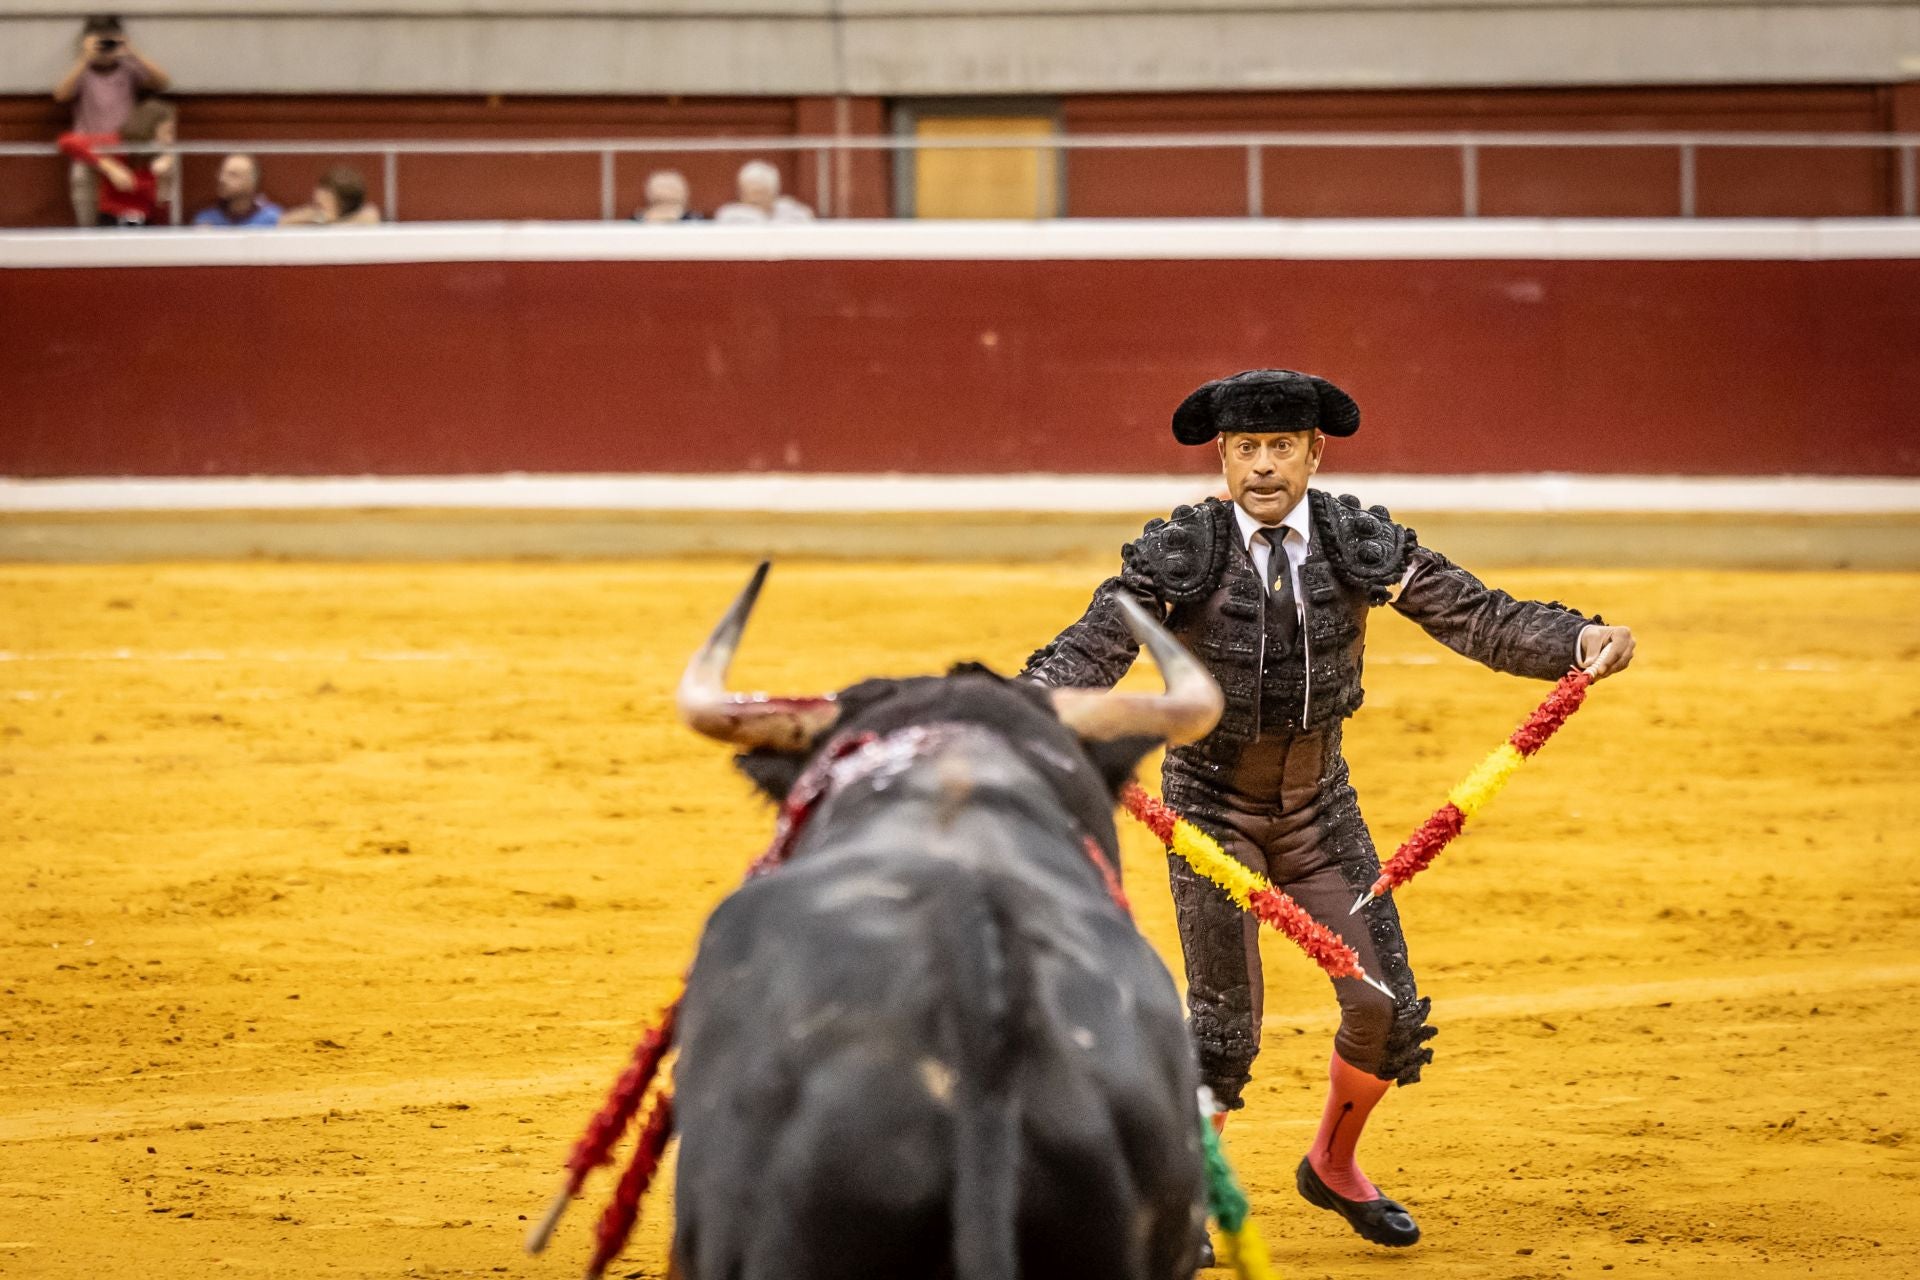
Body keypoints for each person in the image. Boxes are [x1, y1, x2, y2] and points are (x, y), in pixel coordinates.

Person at [1021, 369, 1635, 1249]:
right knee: (1224, 1027)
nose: (1262, 468)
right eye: (1245, 450)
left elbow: (1476, 616)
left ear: (1315, 452)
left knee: (1383, 1006)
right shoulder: (1181, 556)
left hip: (1319, 812)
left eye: (1280, 448)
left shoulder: (1356, 540)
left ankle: (1333, 1167)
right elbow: (1089, 650)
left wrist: (1577, 637)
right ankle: (1192, 1195)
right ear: (1222, 458)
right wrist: (1018, 704)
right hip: (1211, 814)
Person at [52, 14, 171, 227]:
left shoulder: (127, 68)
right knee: (84, 188)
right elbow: (61, 94)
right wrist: (84, 58)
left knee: (127, 203)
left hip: (124, 147)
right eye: (101, 42)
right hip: (88, 148)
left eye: (109, 42)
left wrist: (132, 52)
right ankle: (86, 235)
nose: (105, 49)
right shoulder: (84, 71)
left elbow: (162, 82)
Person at [57, 96, 175, 228]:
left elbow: (152, 197)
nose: (170, 140)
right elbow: (67, 141)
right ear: (150, 127)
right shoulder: (118, 143)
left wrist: (161, 178)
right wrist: (109, 167)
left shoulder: (162, 155)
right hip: (112, 220)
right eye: (167, 132)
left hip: (145, 221)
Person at [192, 154, 280, 227]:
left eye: (233, 175)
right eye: (221, 173)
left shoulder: (272, 219)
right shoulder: (207, 220)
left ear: (252, 182)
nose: (222, 179)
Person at [714, 159, 814, 223]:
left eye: (763, 193)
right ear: (741, 193)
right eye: (753, 194)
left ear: (774, 193)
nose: (758, 199)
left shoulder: (793, 212)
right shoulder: (730, 215)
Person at [280, 166, 383, 226]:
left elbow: (370, 218)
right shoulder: (312, 214)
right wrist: (319, 218)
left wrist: (329, 221)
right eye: (321, 190)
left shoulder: (366, 214)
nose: (318, 196)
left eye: (328, 195)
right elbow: (283, 222)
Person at [633, 169, 702, 223]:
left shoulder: (695, 222)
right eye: (661, 186)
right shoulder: (634, 223)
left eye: (671, 186)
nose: (666, 191)